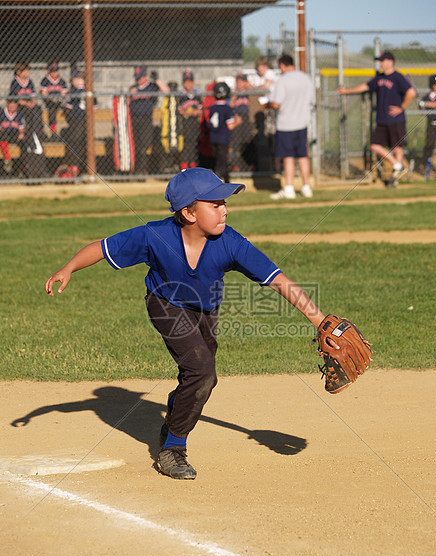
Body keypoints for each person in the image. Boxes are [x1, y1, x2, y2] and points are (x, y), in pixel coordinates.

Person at [44, 167, 330, 480]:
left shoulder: (231, 243)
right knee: (202, 371)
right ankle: (172, 450)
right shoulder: (155, 236)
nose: (225, 209)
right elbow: (102, 247)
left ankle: (178, 407)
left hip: (207, 310)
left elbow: (278, 280)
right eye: (216, 204)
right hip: (165, 304)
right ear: (189, 213)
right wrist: (68, 268)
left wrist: (318, 320)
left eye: (224, 203)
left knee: (200, 376)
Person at [337, 51, 416, 185]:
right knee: (374, 146)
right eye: (379, 61)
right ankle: (398, 165)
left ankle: (394, 178)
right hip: (382, 119)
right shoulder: (379, 78)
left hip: (396, 119)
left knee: (397, 148)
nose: (380, 63)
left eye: (382, 61)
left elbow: (411, 92)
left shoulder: (398, 77)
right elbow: (365, 86)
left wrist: (401, 107)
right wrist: (347, 91)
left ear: (390, 62)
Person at [267, 54, 314, 199]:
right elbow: (311, 99)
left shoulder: (283, 80)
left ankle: (289, 189)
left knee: (288, 157)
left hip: (286, 124)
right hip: (302, 123)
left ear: (282, 65)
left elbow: (276, 103)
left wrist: (267, 104)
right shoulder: (305, 78)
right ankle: (306, 187)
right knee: (303, 156)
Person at [9, 61, 48, 178]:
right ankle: (29, 131)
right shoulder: (15, 83)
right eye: (25, 71)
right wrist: (25, 103)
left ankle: (36, 130)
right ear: (19, 72)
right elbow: (14, 100)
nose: (27, 73)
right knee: (26, 113)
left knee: (37, 109)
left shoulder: (29, 82)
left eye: (28, 70)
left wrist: (32, 102)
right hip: (21, 109)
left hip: (30, 109)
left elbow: (33, 96)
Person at [129, 65, 169, 175]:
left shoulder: (152, 87)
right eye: (137, 77)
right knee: (136, 145)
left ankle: (142, 170)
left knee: (144, 146)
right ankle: (136, 170)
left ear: (146, 76)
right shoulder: (133, 87)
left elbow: (167, 91)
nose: (138, 80)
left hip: (146, 119)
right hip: (134, 119)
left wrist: (157, 80)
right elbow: (127, 101)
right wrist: (131, 95)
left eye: (141, 77)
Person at [63, 68, 98, 174]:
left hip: (78, 120)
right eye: (74, 79)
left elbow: (68, 109)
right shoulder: (89, 90)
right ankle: (78, 167)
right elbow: (94, 109)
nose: (75, 81)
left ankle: (76, 166)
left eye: (77, 79)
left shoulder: (76, 91)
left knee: (76, 142)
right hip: (83, 121)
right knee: (79, 143)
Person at [208, 81, 241, 182]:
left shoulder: (212, 108)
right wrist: (238, 122)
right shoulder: (227, 109)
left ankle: (227, 181)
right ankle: (214, 182)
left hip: (213, 138)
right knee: (221, 163)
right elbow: (230, 126)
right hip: (223, 138)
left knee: (221, 160)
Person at [230, 73, 255, 172]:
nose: (240, 84)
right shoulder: (235, 94)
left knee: (248, 143)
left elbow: (256, 94)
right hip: (237, 120)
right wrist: (235, 94)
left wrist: (248, 86)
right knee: (236, 144)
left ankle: (249, 165)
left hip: (247, 120)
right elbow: (231, 105)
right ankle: (237, 165)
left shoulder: (249, 93)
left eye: (242, 81)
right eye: (238, 82)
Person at [178, 70, 202, 170]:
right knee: (185, 144)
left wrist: (193, 112)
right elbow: (179, 110)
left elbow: (200, 110)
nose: (188, 84)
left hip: (194, 124)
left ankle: (193, 164)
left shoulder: (197, 94)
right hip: (184, 124)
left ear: (193, 82)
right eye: (186, 82)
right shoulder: (181, 95)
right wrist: (187, 112)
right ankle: (184, 165)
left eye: (190, 81)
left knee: (194, 143)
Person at [40, 61, 68, 139]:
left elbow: (64, 93)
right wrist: (52, 99)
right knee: (52, 110)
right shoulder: (45, 80)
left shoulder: (62, 81)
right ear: (48, 71)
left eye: (56, 70)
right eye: (52, 71)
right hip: (50, 103)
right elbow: (44, 93)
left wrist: (59, 99)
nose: (54, 73)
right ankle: (53, 132)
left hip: (60, 102)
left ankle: (66, 132)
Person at [0, 98, 25, 175]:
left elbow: (21, 128)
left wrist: (21, 133)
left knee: (24, 143)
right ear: (7, 104)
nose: (12, 106)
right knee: (3, 135)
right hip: (4, 135)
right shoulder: (1, 113)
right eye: (11, 104)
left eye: (14, 104)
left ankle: (22, 168)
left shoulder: (19, 114)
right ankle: (7, 159)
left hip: (15, 135)